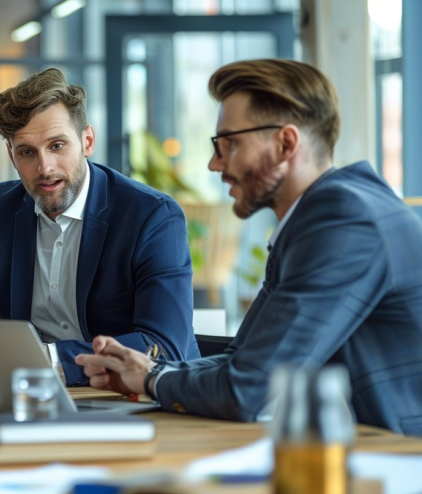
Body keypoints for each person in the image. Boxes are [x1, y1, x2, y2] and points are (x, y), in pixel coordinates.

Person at [76, 59, 422, 435]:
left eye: (230, 144)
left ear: (286, 143)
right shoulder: (325, 213)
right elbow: (242, 361)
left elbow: (247, 389)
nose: (214, 163)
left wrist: (149, 380)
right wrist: (149, 371)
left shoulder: (343, 220)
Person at [0, 68, 199, 385]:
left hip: (140, 399)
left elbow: (164, 348)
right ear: (12, 156)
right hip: (35, 401)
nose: (45, 167)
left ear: (87, 141)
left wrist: (39, 361)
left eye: (57, 145)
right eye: (27, 152)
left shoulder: (151, 217)